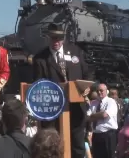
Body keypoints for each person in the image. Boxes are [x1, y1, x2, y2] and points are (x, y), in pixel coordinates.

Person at [33, 23, 92, 158]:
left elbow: (87, 74)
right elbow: (38, 84)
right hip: (54, 111)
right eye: (53, 38)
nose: (56, 42)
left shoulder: (76, 51)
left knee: (77, 144)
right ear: (48, 38)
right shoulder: (40, 58)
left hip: (76, 108)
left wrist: (88, 87)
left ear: (64, 39)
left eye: (59, 38)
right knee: (54, 145)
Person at [86, 84, 118, 158]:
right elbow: (87, 117)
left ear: (106, 91)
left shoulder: (110, 102)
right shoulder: (94, 103)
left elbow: (104, 115)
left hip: (108, 134)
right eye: (97, 91)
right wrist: (99, 115)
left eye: (101, 90)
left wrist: (93, 116)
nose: (99, 92)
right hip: (96, 134)